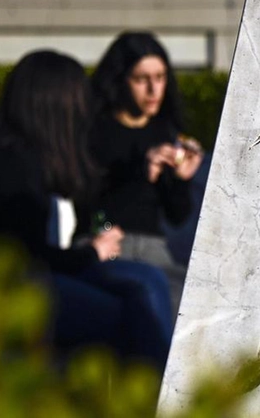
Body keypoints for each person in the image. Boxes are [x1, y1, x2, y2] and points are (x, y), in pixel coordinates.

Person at [0, 50, 173, 370]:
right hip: (1, 291)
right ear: (57, 104)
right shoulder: (10, 161)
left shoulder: (25, 154)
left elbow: (89, 203)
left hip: (27, 276)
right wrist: (93, 252)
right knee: (128, 313)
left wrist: (102, 231)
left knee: (147, 280)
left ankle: (162, 394)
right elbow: (27, 256)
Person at [83, 32, 203, 316]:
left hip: (154, 249)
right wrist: (141, 173)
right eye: (141, 79)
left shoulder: (164, 132)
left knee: (194, 302)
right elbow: (89, 209)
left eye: (160, 77)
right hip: (105, 244)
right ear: (120, 80)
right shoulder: (94, 131)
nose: (153, 90)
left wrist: (182, 179)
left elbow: (177, 215)